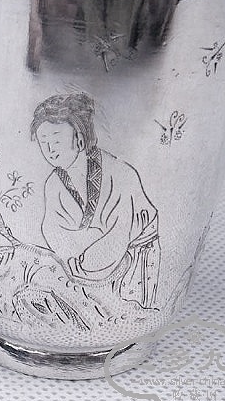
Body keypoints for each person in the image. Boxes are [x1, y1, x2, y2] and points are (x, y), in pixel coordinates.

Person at [30, 93, 161, 308]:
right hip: (84, 263)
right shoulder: (54, 184)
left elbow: (117, 236)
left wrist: (85, 260)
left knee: (124, 311)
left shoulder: (121, 174)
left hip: (134, 257)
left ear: (80, 138)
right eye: (44, 143)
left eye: (56, 140)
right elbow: (53, 230)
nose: (50, 149)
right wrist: (81, 249)